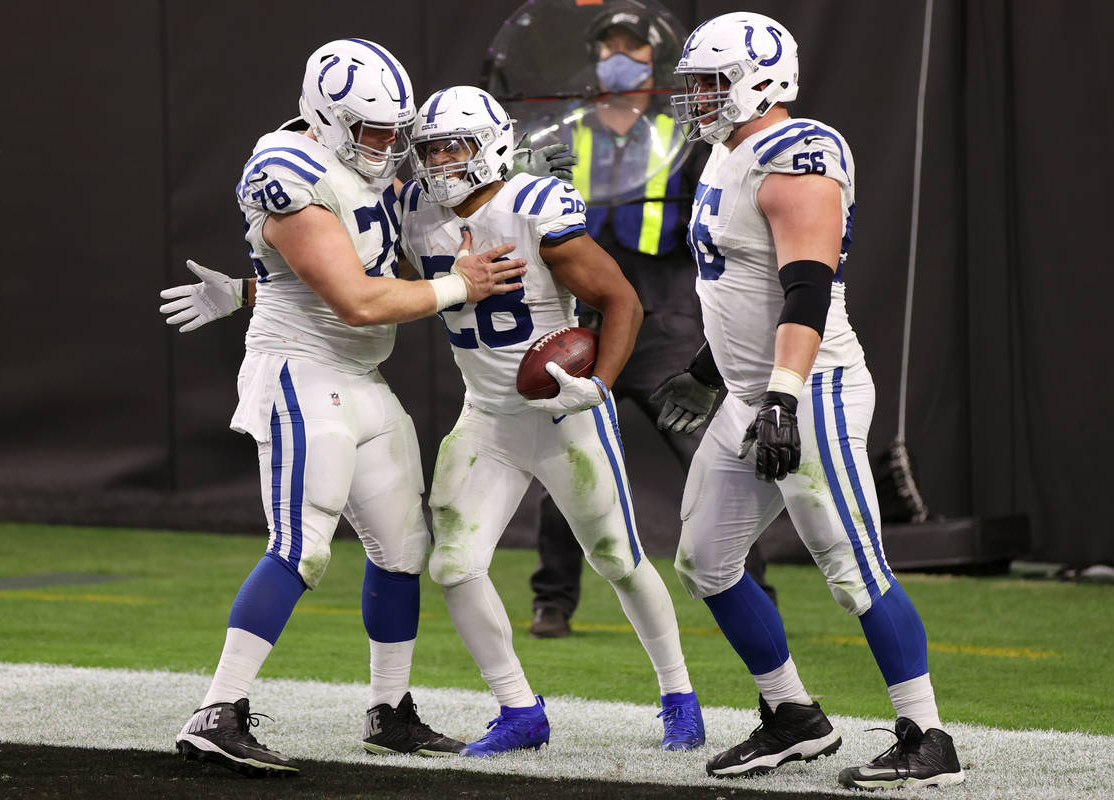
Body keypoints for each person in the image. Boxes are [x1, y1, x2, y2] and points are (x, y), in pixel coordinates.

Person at [165, 38, 531, 777]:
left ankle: (389, 712)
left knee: (403, 551)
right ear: (325, 117)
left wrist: (243, 289)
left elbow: (349, 271)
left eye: (396, 131)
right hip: (302, 374)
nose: (388, 147)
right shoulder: (285, 170)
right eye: (372, 131)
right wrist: (462, 285)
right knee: (301, 546)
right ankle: (218, 710)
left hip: (361, 379)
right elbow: (358, 299)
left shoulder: (367, 159)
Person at [653, 12, 965, 789]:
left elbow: (806, 290)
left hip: (810, 387)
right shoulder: (729, 153)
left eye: (709, 83)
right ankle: (793, 715)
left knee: (853, 567)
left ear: (761, 80)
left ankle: (928, 737)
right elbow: (738, 287)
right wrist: (707, 368)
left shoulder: (798, 153)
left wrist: (783, 399)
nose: (694, 97)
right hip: (755, 390)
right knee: (706, 560)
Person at [400, 85, 705, 756]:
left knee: (619, 559)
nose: (440, 162)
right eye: (428, 149)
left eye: (454, 147)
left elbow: (621, 299)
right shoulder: (413, 208)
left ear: (492, 148)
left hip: (564, 415)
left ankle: (680, 696)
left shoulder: (534, 205)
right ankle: (519, 710)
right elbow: (396, 287)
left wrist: (597, 388)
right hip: (486, 416)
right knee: (452, 565)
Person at [526, 0, 774, 640]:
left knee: (714, 454)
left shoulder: (688, 138)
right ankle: (552, 599)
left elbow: (719, 219)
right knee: (567, 463)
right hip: (586, 321)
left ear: (653, 58)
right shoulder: (561, 136)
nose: (617, 59)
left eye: (631, 48)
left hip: (665, 319)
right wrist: (533, 185)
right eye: (607, 47)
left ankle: (753, 585)